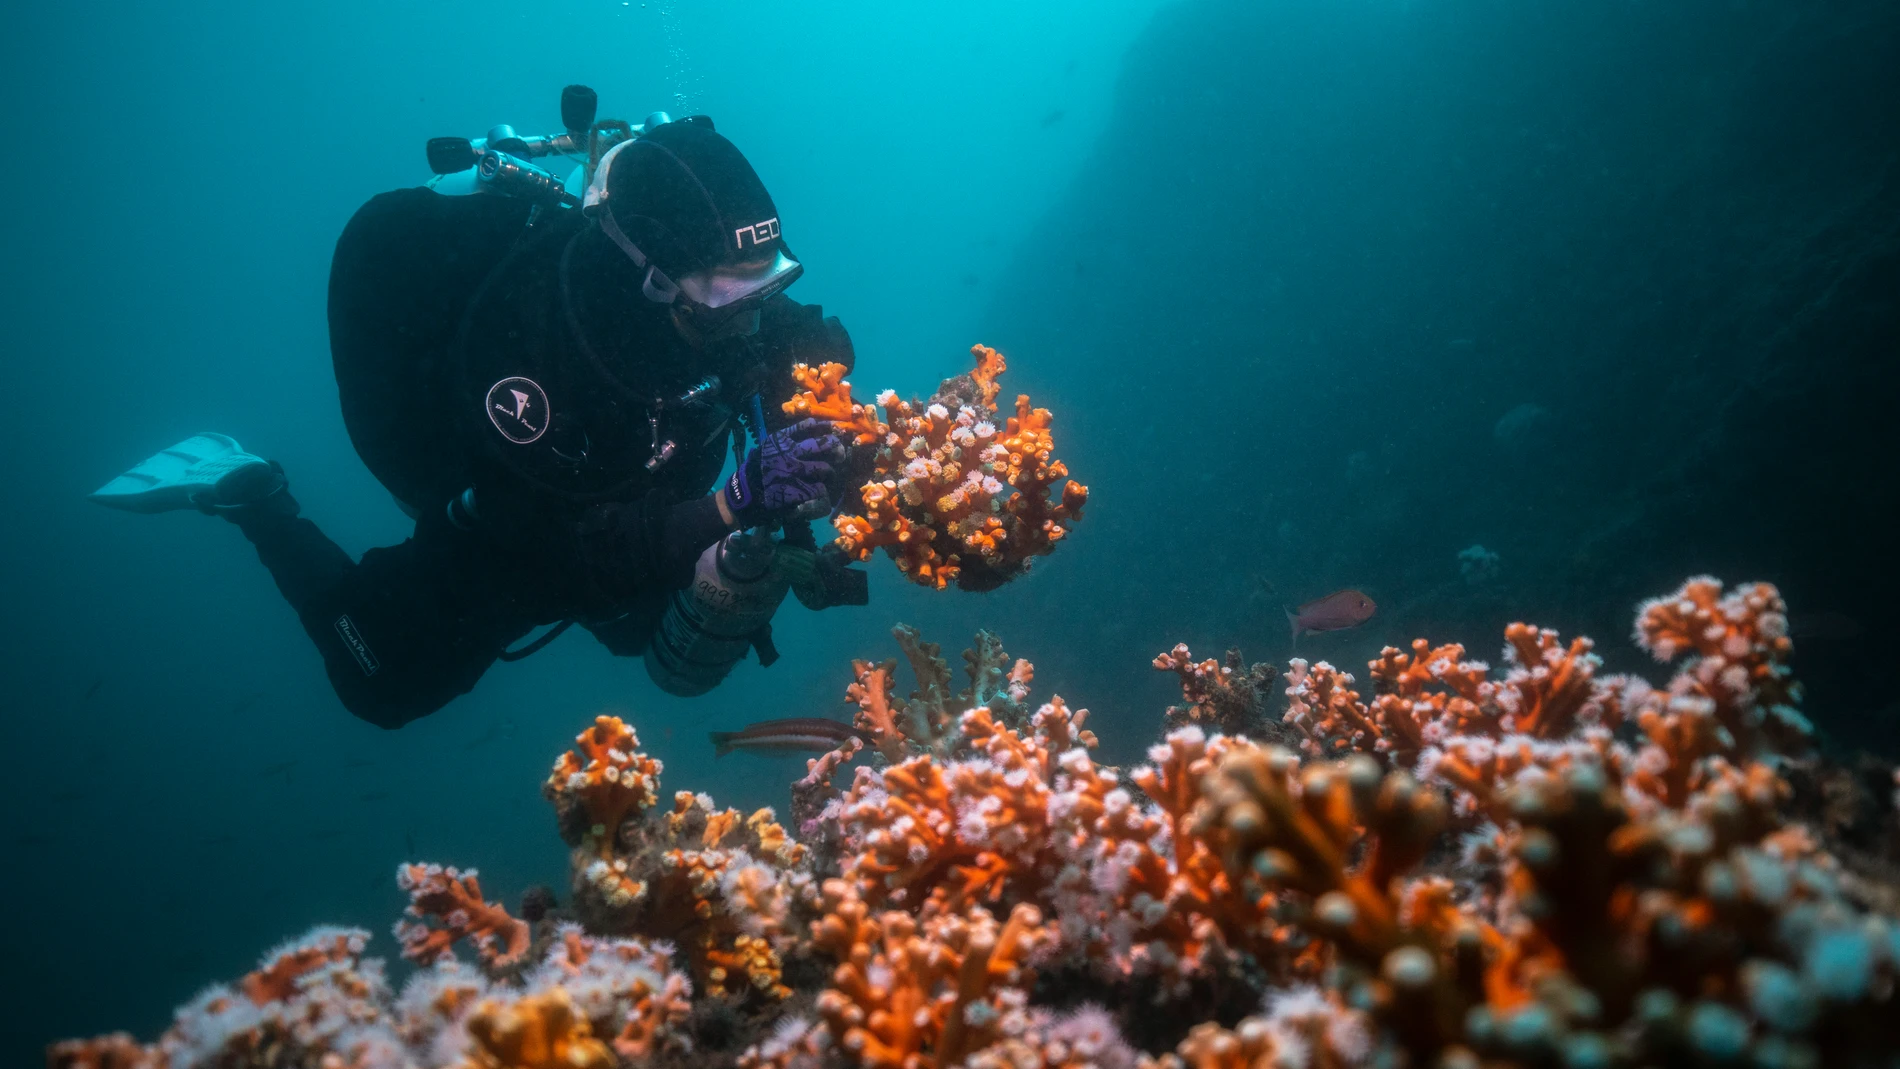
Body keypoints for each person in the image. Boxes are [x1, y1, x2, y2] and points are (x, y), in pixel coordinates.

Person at [91, 116, 865, 727]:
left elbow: (792, 357)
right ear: (649, 282)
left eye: (762, 292)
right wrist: (732, 504)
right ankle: (249, 493)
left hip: (633, 479)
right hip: (511, 510)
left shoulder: (728, 312)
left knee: (638, 626)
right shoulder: (527, 358)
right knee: (384, 683)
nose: (746, 327)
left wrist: (831, 478)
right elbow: (555, 557)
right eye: (720, 307)